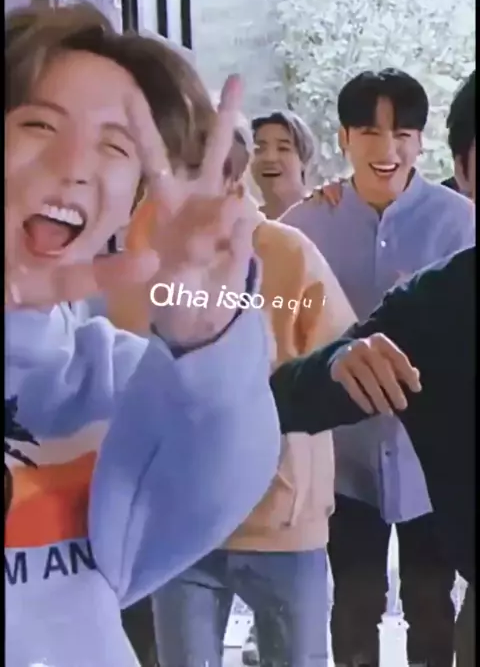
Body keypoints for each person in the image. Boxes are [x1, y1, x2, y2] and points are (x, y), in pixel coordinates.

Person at [4, 1, 280, 667]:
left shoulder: (122, 385)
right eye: (40, 124)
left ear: (131, 202)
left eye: (115, 145)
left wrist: (205, 330)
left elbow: (220, 477)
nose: (74, 165)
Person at [117, 118, 356, 667]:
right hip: (178, 522)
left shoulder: (287, 252)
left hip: (281, 517)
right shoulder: (143, 260)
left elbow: (336, 366)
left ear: (232, 174)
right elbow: (125, 376)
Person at [271, 71, 476, 667]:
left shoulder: (457, 222)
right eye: (369, 132)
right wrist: (329, 349)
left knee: (431, 603)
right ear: (343, 138)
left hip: (431, 470)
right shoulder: (307, 225)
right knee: (356, 601)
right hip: (348, 459)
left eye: (403, 134)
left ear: (421, 142)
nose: (387, 149)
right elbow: (270, 315)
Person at [250, 110, 316, 219]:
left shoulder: (324, 213)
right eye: (259, 149)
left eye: (283, 148)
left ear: (304, 159)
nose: (270, 158)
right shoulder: (242, 221)